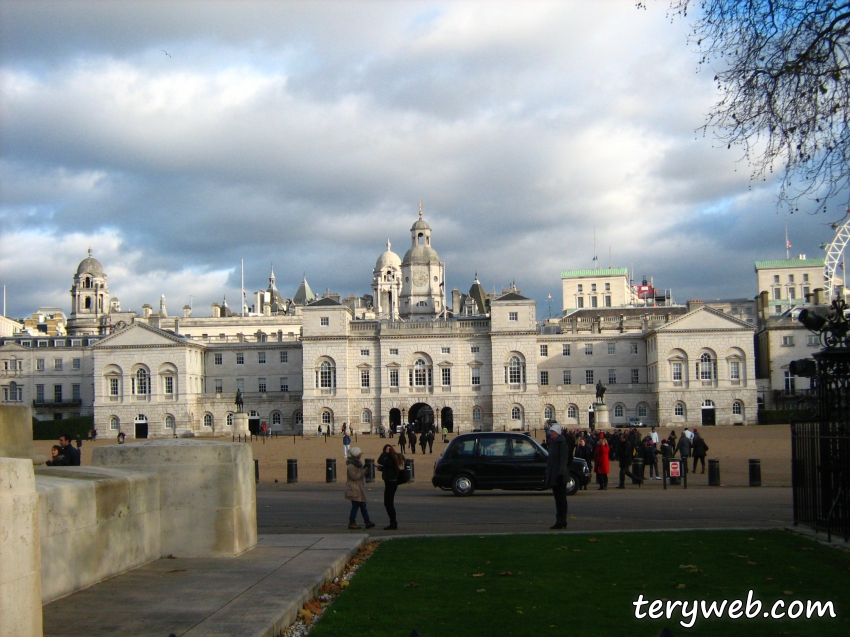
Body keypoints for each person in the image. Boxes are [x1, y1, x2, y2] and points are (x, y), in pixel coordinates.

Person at [545, 424, 570, 529]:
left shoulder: (562, 444)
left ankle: (562, 520)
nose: (550, 433)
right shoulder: (553, 443)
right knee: (558, 499)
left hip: (560, 475)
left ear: (557, 433)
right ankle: (560, 520)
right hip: (554, 474)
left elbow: (563, 461)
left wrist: (561, 474)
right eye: (550, 431)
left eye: (552, 431)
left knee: (561, 499)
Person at [344, 447, 375, 530]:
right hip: (354, 488)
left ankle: (367, 521)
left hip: (358, 487)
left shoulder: (357, 464)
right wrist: (363, 471)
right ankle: (352, 522)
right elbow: (354, 476)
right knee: (356, 505)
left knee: (363, 505)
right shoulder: (351, 466)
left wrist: (364, 470)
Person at [377, 444, 404, 530]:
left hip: (391, 483)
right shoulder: (392, 459)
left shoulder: (391, 458)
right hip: (391, 483)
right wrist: (381, 468)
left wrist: (385, 452)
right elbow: (388, 467)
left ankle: (393, 523)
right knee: (389, 503)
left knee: (388, 503)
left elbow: (380, 460)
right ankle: (393, 522)